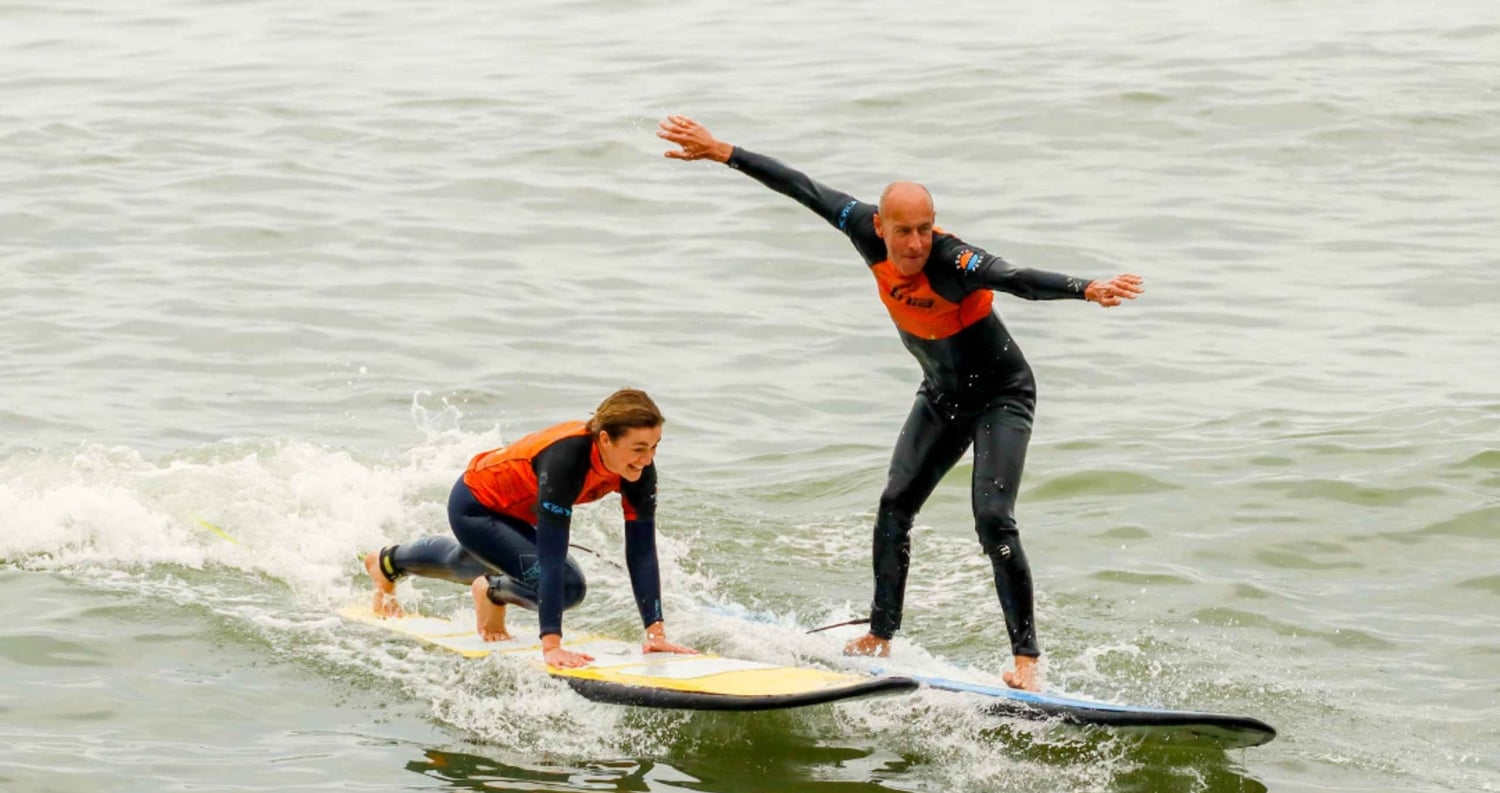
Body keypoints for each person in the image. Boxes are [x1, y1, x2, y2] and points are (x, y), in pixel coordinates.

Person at [657, 115, 1142, 691]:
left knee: (992, 518)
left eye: (925, 230)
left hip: (1000, 395)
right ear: (879, 226)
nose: (915, 244)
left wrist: (1085, 288)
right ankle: (880, 633)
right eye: (904, 231)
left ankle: (1026, 661)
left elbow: (1015, 277)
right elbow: (802, 187)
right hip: (941, 393)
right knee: (894, 505)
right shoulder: (861, 227)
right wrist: (720, 151)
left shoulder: (954, 261)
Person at [363, 388, 698, 669]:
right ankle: (401, 565)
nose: (647, 459)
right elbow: (551, 557)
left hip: (520, 513)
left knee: (472, 561)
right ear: (605, 439)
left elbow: (641, 551)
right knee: (566, 586)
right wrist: (552, 646)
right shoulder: (567, 460)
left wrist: (656, 634)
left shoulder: (639, 470)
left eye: (655, 446)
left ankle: (404, 567)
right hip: (475, 506)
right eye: (639, 448)